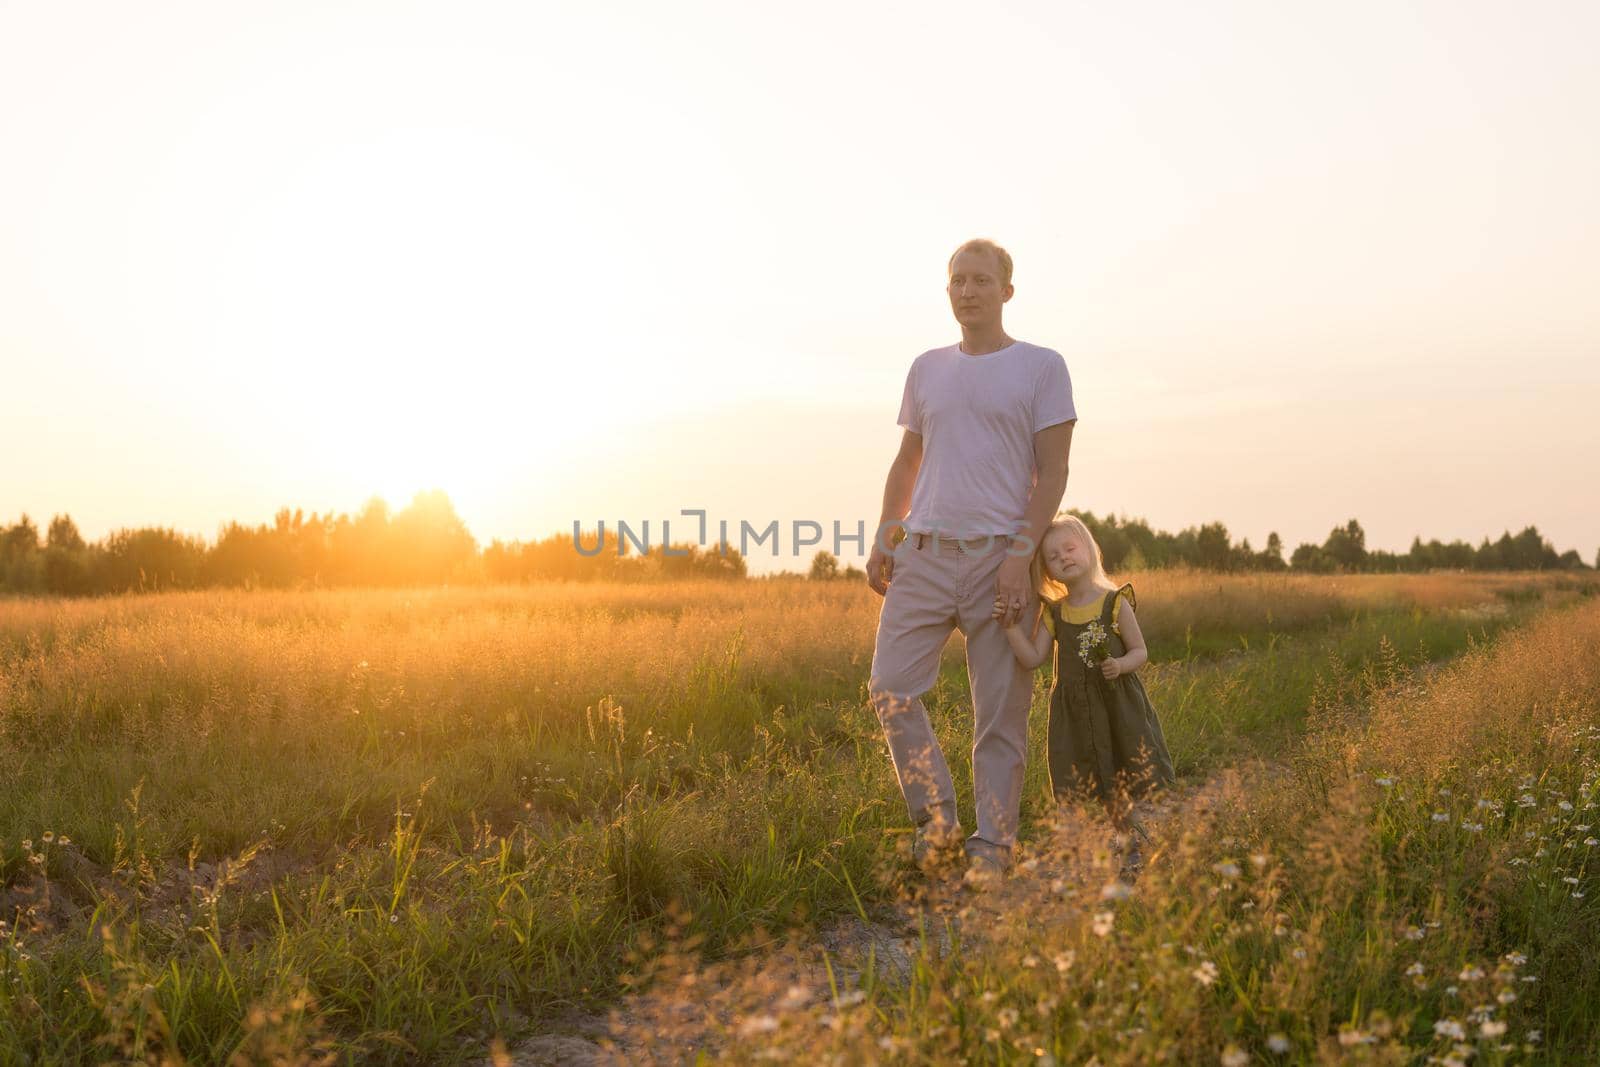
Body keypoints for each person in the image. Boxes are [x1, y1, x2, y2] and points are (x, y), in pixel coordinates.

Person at [865, 238, 1076, 886]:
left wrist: (1020, 556)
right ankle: (937, 825)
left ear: (1006, 291)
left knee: (999, 714)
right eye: (958, 280)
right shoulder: (927, 368)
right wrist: (886, 531)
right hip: (923, 555)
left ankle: (993, 847)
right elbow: (909, 460)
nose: (967, 291)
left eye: (981, 280)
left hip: (999, 561)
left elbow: (1054, 471)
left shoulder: (1042, 367)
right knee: (891, 688)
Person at [993, 514, 1176, 873]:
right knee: (1082, 775)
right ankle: (1082, 850)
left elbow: (1140, 651)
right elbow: (1031, 658)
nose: (1063, 558)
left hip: (1115, 705)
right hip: (1075, 710)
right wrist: (1010, 628)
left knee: (1120, 772)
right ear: (1046, 571)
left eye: (1070, 548)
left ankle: (1132, 842)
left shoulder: (1114, 603)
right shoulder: (1056, 613)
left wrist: (1121, 665)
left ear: (1090, 550)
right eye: (1053, 557)